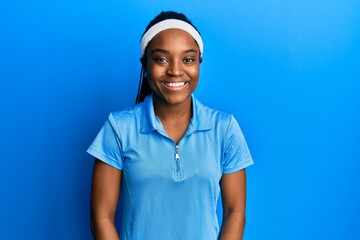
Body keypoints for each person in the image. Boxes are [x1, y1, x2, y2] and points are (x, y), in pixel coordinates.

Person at [87, 11, 254, 240]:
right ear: (145, 65)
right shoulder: (118, 128)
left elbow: (235, 212)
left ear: (199, 63)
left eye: (188, 59)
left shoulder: (224, 128)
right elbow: (101, 218)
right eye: (161, 59)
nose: (176, 70)